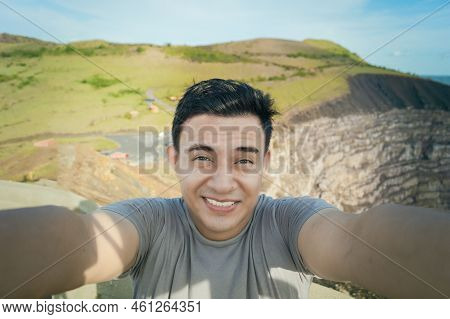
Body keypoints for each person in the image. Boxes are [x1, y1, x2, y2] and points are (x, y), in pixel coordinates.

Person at [0, 79, 449, 299]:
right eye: (201, 158)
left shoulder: (290, 222)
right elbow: (80, 241)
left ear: (266, 165)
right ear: (174, 160)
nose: (222, 180)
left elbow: (362, 242)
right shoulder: (150, 222)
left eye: (244, 160)